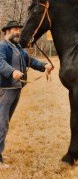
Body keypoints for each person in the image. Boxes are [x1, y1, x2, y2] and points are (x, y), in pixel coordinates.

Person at [0, 20, 53, 168]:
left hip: (16, 89)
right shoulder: (2, 46)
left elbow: (30, 60)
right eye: (15, 30)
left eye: (18, 30)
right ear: (7, 31)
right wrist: (12, 71)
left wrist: (44, 66)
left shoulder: (17, 47)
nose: (18, 32)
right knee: (2, 124)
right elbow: (0, 62)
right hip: (5, 90)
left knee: (5, 122)